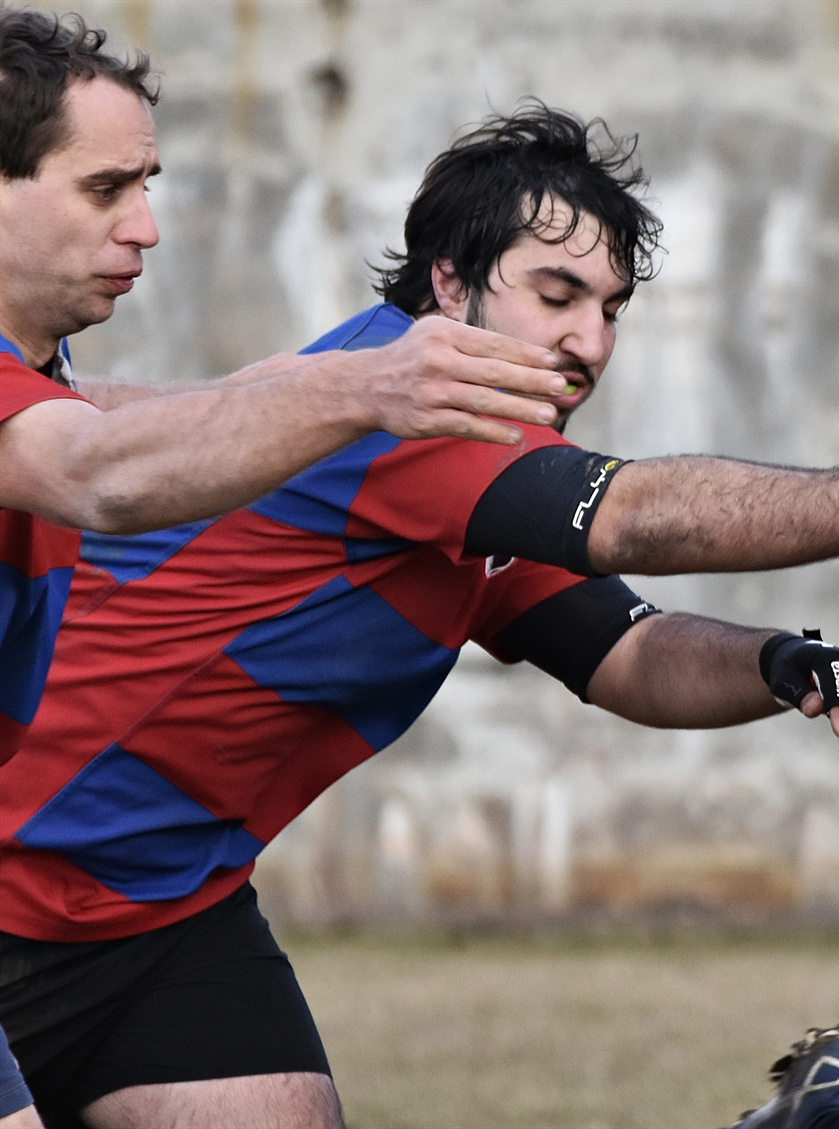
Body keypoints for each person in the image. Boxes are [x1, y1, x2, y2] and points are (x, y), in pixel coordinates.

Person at [0, 97, 839, 1129]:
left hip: (163, 919)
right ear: (449, 283)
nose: (587, 340)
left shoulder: (481, 476)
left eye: (609, 308)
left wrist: (774, 660)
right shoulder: (398, 414)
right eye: (555, 293)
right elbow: (630, 518)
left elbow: (625, 652)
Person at [0, 11, 584, 1125]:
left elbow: (100, 420)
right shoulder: (65, 427)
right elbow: (95, 474)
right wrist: (363, 387)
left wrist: (286, 390)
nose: (148, 227)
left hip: (154, 917)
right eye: (104, 190)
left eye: (148, 184)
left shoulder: (41, 373)